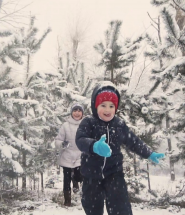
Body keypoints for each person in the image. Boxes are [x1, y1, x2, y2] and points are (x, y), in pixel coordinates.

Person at [75, 82, 165, 215]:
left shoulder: (119, 124)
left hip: (114, 173)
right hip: (91, 173)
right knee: (92, 206)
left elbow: (133, 141)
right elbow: (80, 140)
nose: (107, 110)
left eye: (111, 106)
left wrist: (149, 153)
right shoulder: (89, 122)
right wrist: (94, 145)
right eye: (103, 105)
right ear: (95, 106)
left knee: (120, 206)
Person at [55, 103, 84, 207]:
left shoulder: (85, 125)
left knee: (80, 176)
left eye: (79, 110)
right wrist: (62, 144)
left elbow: (91, 139)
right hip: (67, 155)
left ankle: (76, 180)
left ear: (82, 113)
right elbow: (58, 140)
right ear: (71, 113)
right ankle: (67, 201)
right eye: (75, 110)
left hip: (80, 156)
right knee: (66, 180)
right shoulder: (65, 126)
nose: (77, 113)